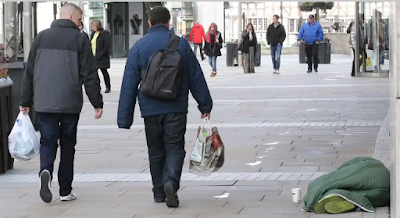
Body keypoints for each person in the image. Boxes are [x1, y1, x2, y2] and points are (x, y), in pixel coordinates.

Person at [117, 6, 213, 208]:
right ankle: (171, 181)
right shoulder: (182, 45)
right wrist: (205, 104)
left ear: (149, 22)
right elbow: (195, 76)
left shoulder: (139, 47)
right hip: (176, 106)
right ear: (169, 22)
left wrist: (124, 117)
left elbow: (128, 83)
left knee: (155, 150)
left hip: (150, 109)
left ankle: (159, 192)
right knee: (175, 147)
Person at [19, 3, 103, 203]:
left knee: (47, 140)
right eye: (80, 19)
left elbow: (29, 71)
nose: (81, 23)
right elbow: (89, 74)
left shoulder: (42, 37)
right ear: (72, 16)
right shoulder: (80, 39)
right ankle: (65, 190)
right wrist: (96, 102)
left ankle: (45, 171)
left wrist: (25, 100)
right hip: (70, 101)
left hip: (44, 100)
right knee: (67, 145)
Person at [90, 19, 111, 93]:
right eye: (92, 26)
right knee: (94, 73)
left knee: (104, 72)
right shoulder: (93, 34)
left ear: (98, 26)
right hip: (93, 56)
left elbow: (106, 45)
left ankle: (108, 87)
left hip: (102, 57)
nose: (93, 27)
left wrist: (101, 53)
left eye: (94, 26)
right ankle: (97, 87)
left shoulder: (104, 33)